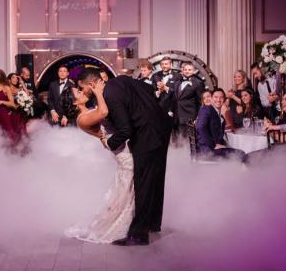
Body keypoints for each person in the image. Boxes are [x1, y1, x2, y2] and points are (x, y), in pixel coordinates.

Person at [78, 69, 173, 246]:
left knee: (143, 182)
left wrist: (109, 144)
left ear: (92, 84)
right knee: (156, 178)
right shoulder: (120, 80)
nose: (83, 92)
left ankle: (138, 235)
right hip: (161, 126)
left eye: (83, 88)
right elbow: (148, 90)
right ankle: (152, 223)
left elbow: (125, 130)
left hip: (147, 134)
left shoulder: (110, 97)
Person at [65, 80, 134, 243]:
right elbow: (103, 112)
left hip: (119, 143)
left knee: (126, 181)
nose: (83, 92)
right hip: (119, 148)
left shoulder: (88, 111)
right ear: (75, 102)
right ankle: (119, 221)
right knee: (128, 177)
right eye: (79, 93)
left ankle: (129, 217)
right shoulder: (82, 119)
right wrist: (97, 92)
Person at [195, 88, 246, 160]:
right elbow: (200, 127)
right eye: (215, 97)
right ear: (211, 99)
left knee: (237, 151)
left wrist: (222, 145)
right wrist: (213, 145)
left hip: (213, 148)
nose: (218, 100)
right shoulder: (206, 109)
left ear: (224, 100)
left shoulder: (219, 115)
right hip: (207, 150)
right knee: (240, 154)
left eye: (221, 97)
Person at [0, 69, 22, 144]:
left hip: (3, 114)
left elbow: (12, 103)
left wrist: (1, 102)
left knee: (8, 136)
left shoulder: (6, 88)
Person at [173, 62, 205, 138]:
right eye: (185, 70)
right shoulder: (177, 83)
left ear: (193, 71)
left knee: (189, 139)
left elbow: (200, 102)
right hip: (177, 116)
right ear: (182, 71)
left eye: (189, 70)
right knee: (177, 140)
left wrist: (198, 117)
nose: (187, 71)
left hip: (189, 116)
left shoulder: (198, 83)